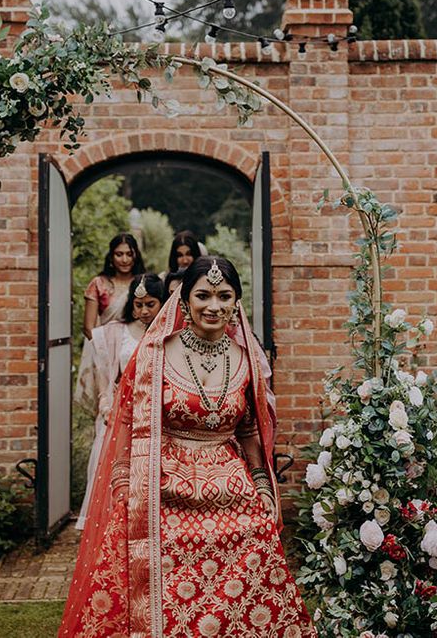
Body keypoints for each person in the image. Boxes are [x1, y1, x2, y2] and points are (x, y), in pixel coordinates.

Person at [60, 257, 315, 637]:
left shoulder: (246, 359)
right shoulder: (155, 355)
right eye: (203, 295)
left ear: (236, 303)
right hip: (162, 487)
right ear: (184, 301)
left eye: (224, 296)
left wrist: (261, 483)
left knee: (256, 552)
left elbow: (248, 431)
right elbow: (129, 422)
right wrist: (122, 481)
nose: (214, 305)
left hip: (231, 489)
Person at [74, 273, 166, 531]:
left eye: (150, 304)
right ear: (130, 304)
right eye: (139, 305)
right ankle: (113, 531)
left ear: (162, 303)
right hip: (121, 415)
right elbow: (106, 377)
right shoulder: (117, 333)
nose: (144, 311)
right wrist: (106, 406)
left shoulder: (171, 334)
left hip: (158, 417)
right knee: (116, 479)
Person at [83, 233, 146, 341]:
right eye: (119, 254)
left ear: (136, 256)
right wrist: (103, 351)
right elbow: (88, 328)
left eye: (129, 254)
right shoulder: (99, 284)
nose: (125, 260)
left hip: (138, 346)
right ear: (111, 257)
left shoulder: (144, 283)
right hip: (106, 346)